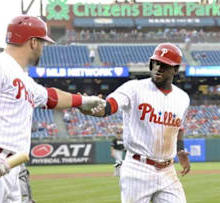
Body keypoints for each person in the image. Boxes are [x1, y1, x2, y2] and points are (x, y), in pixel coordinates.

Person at [0, 15, 105, 203]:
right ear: (33, 42)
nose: (43, 48)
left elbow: (51, 97)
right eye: (42, 42)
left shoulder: (23, 78)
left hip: (10, 166)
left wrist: (83, 101)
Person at [82, 43, 191, 203]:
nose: (158, 67)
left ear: (175, 69)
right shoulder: (134, 88)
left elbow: (178, 128)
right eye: (156, 62)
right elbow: (110, 105)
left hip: (168, 171)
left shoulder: (183, 98)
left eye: (164, 65)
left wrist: (180, 150)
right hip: (138, 168)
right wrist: (93, 106)